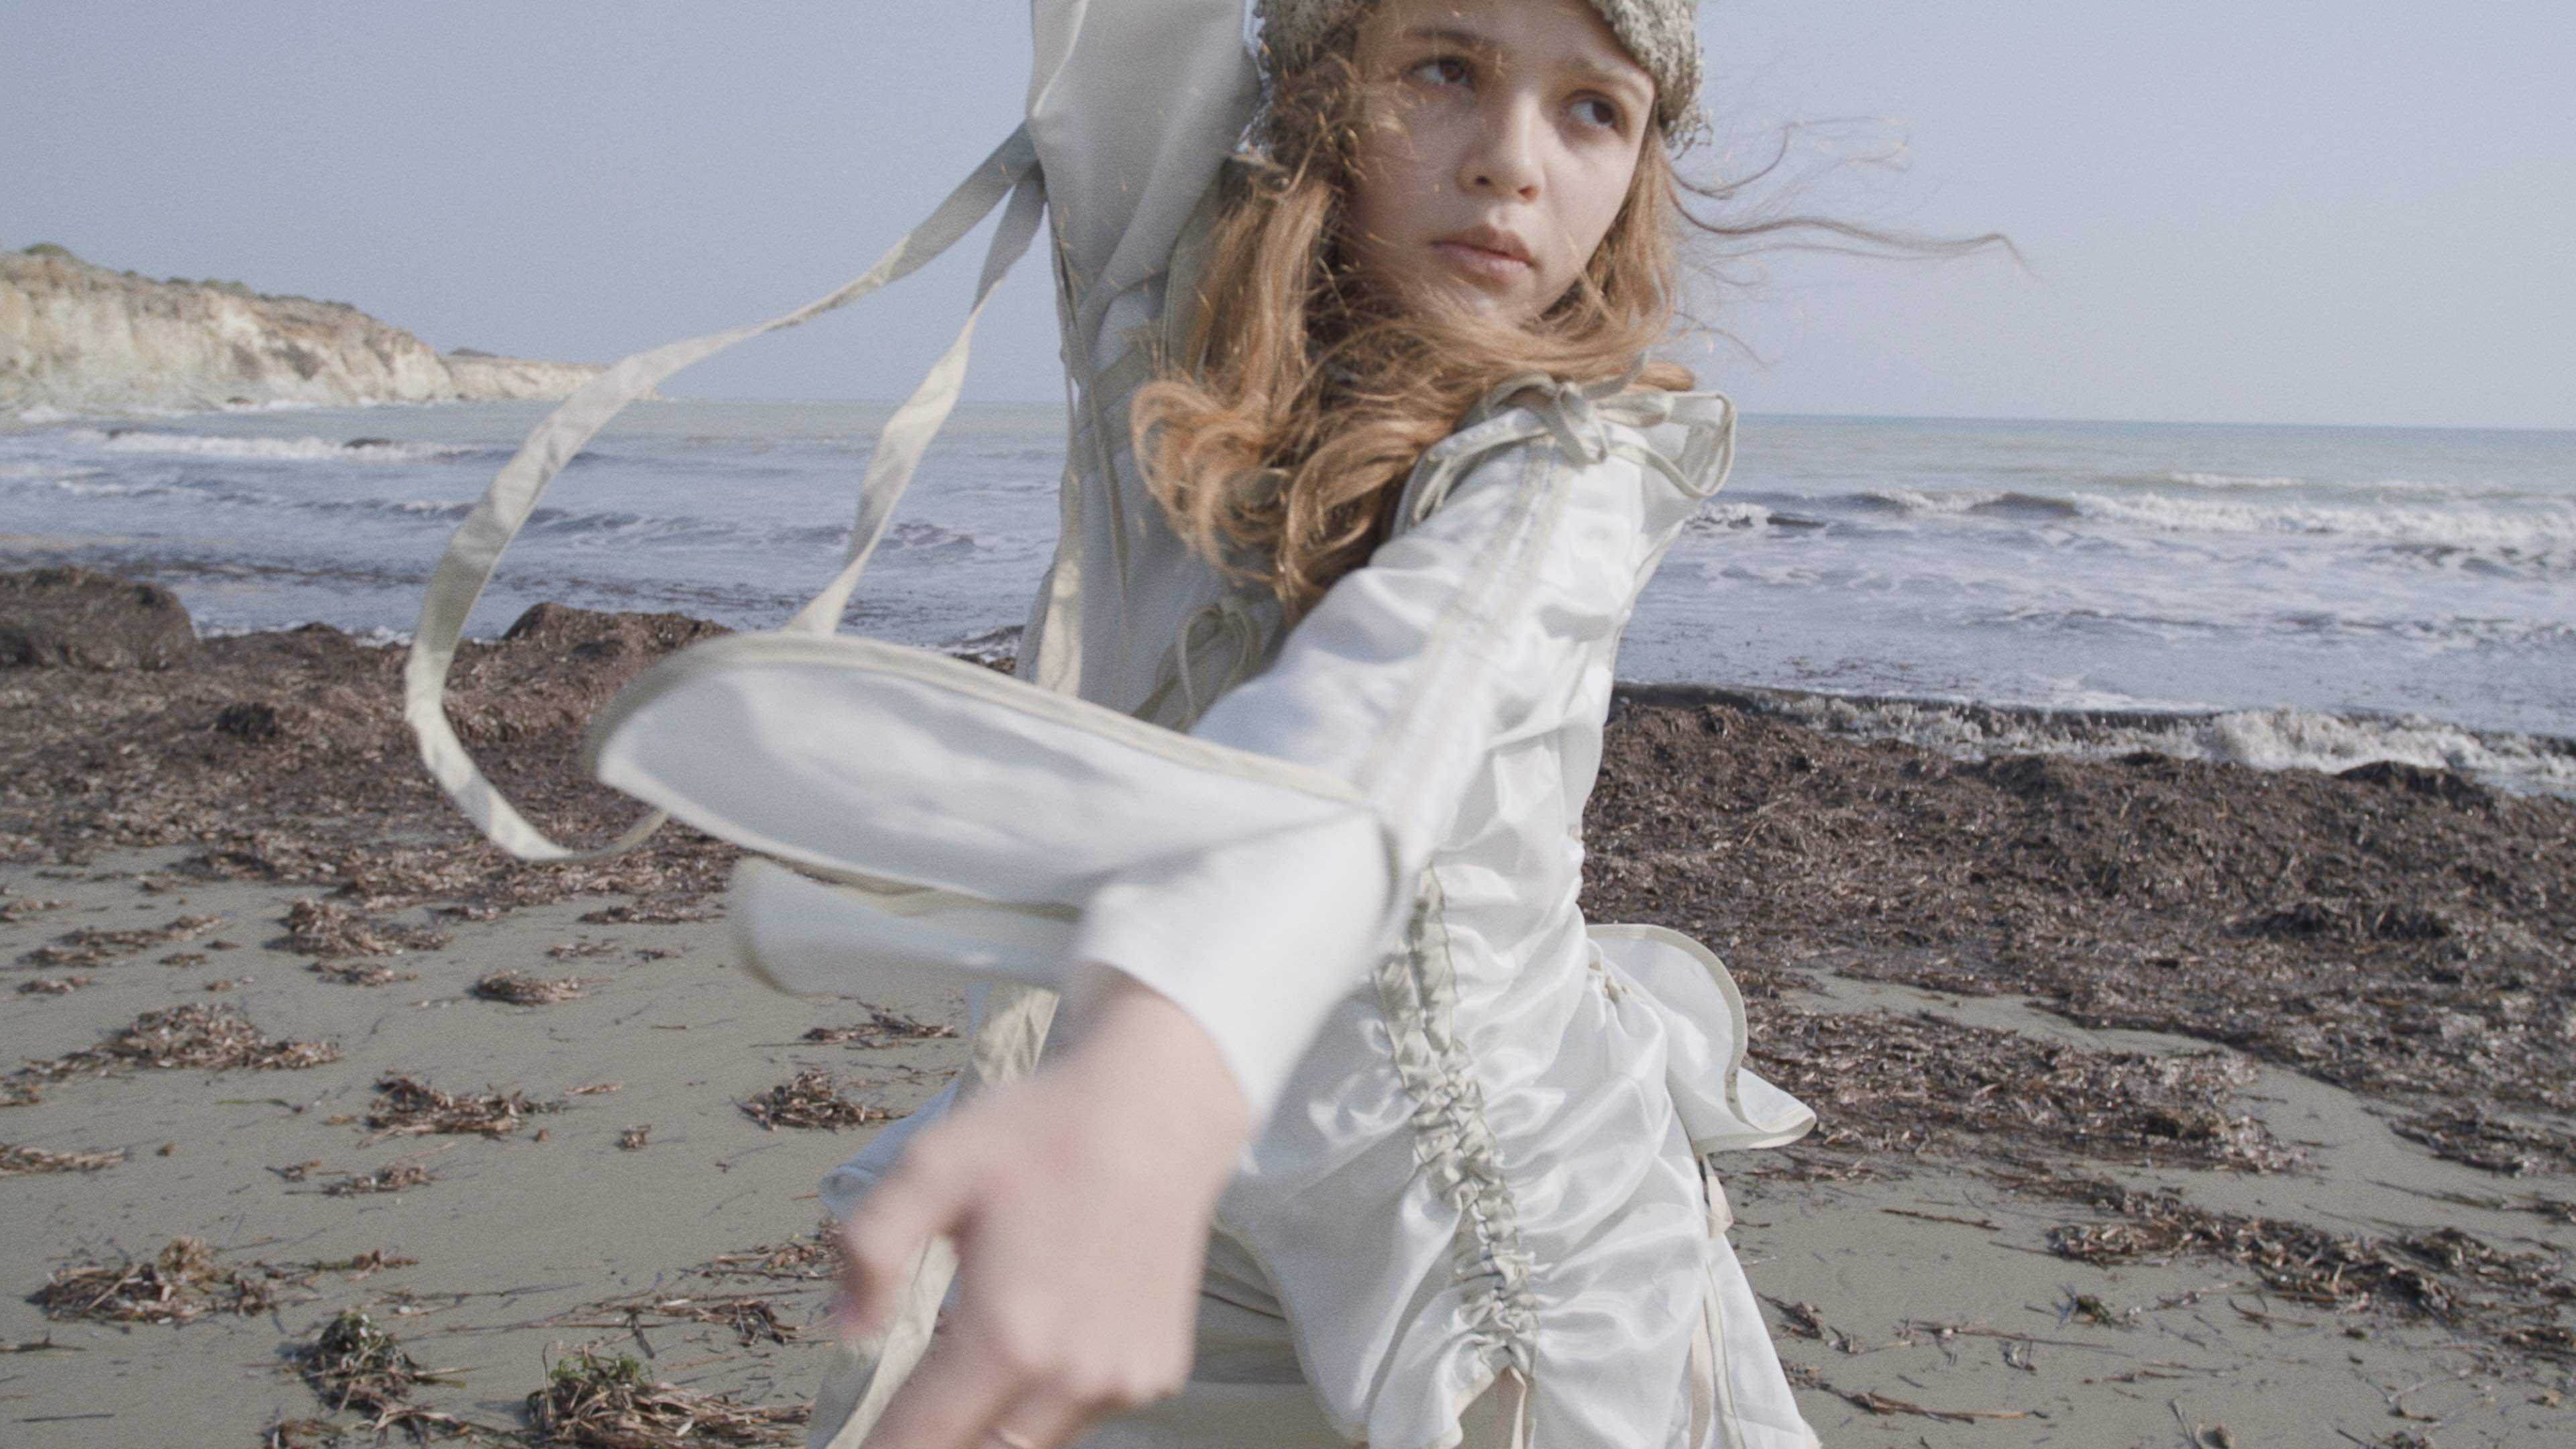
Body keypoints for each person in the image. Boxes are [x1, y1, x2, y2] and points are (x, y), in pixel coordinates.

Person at [407, 2, 1819, 1446]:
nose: (1513, 160)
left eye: (1594, 109)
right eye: (1444, 68)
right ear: (1324, 91)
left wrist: (1161, 1070)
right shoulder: (1171, 312)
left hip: (1476, 1263)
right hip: (1175, 1211)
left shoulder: (1569, 463)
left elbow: (1383, 731)